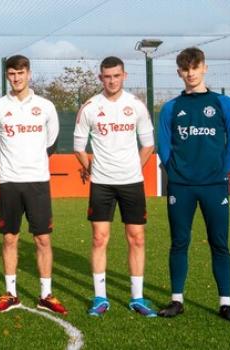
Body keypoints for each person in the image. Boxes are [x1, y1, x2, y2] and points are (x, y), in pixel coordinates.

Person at [157, 47, 230, 322]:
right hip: (181, 186)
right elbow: (163, 144)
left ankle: (226, 303)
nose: (190, 73)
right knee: (179, 242)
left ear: (204, 67)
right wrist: (175, 171)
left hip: (214, 186)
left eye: (195, 67)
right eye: (185, 68)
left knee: (220, 243)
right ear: (179, 72)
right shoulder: (171, 107)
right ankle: (176, 300)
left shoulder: (224, 103)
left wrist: (221, 171)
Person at [73, 56, 156, 317]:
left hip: (132, 182)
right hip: (102, 184)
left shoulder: (136, 106)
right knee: (99, 239)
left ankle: (137, 298)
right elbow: (78, 147)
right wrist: (91, 169)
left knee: (137, 238)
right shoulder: (89, 107)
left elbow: (148, 144)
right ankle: (100, 298)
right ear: (100, 78)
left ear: (124, 76)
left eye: (116, 76)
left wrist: (133, 167)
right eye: (107, 76)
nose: (112, 80)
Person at [0, 55, 66, 315]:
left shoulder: (45, 106)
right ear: (7, 76)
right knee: (10, 238)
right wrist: (13, 165)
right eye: (11, 73)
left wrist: (32, 162)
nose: (16, 78)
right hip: (9, 181)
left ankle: (46, 295)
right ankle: (11, 294)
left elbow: (51, 143)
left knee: (42, 238)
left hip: (38, 181)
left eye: (20, 73)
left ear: (29, 73)